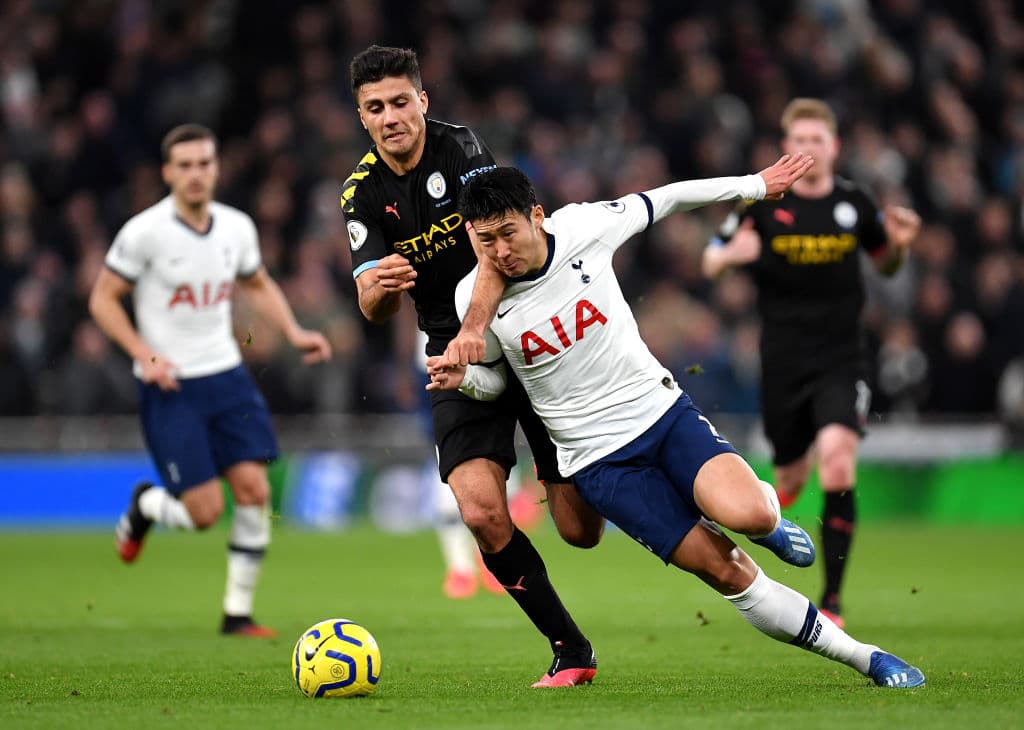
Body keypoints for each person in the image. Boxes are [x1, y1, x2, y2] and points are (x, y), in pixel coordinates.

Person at [426, 164, 926, 689]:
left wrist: (753, 185)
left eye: (509, 234)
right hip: (600, 464)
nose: (501, 251)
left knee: (750, 515)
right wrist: (464, 381)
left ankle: (771, 525)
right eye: (486, 241)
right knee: (726, 571)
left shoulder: (584, 228)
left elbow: (667, 198)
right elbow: (499, 387)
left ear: (536, 217)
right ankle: (867, 658)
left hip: (661, 415)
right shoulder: (472, 301)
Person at [342, 45, 604, 687]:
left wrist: (474, 329)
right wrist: (381, 288)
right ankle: (570, 650)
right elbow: (369, 304)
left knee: (580, 531)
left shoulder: (460, 151)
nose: (391, 117)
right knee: (482, 511)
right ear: (362, 116)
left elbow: (495, 250)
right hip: (450, 358)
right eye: (375, 108)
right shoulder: (360, 194)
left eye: (401, 102)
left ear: (422, 101)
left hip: (520, 340)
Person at [89, 123, 332, 637]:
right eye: (185, 165)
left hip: (226, 376)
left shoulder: (236, 227)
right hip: (171, 386)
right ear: (167, 173)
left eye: (204, 163)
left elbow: (257, 282)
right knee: (203, 512)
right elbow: (102, 299)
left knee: (254, 489)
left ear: (216, 168)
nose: (196, 174)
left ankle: (236, 613)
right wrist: (143, 353)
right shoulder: (144, 232)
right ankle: (146, 504)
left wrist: (292, 330)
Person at [701, 98, 921, 628]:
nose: (809, 149)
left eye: (818, 140)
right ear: (786, 147)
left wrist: (900, 247)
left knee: (839, 462)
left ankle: (834, 601)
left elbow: (885, 263)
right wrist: (732, 256)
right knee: (791, 478)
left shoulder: (855, 204)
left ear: (834, 146)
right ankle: (766, 516)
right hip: (782, 362)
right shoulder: (759, 203)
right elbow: (711, 257)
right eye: (799, 140)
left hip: (843, 358)